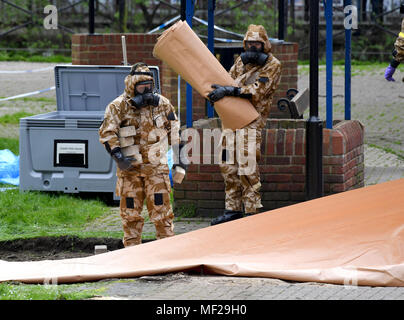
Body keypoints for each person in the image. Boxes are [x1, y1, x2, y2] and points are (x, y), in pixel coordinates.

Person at [99, 62, 184, 247]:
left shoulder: (162, 104)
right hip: (130, 171)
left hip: (156, 170)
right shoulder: (118, 106)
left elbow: (175, 132)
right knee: (131, 217)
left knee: (163, 215)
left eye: (149, 85)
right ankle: (132, 253)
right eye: (141, 86)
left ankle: (167, 252)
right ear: (132, 86)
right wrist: (119, 157)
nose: (146, 90)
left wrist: (180, 161)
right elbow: (107, 133)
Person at [208, 24, 282, 225]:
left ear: (264, 43)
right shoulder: (241, 61)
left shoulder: (273, 64)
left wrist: (230, 91)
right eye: (249, 42)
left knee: (247, 166)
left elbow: (258, 91)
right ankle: (232, 209)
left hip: (251, 121)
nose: (252, 47)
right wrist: (219, 91)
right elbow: (229, 80)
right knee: (228, 164)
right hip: (231, 120)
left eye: (257, 43)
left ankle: (251, 211)